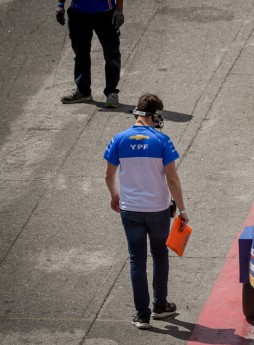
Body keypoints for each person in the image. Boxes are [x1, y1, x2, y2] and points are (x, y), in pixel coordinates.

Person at [104, 93, 189, 329]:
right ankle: (160, 305)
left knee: (136, 260)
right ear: (156, 116)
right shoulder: (162, 141)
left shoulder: (119, 139)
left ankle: (142, 314)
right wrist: (182, 209)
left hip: (130, 210)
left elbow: (109, 175)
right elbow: (172, 180)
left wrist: (115, 196)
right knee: (160, 256)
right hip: (158, 211)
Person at [56, 0, 124, 108]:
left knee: (111, 54)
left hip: (105, 13)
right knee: (80, 54)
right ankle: (83, 91)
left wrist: (119, 10)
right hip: (78, 13)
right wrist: (60, 6)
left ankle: (111, 93)